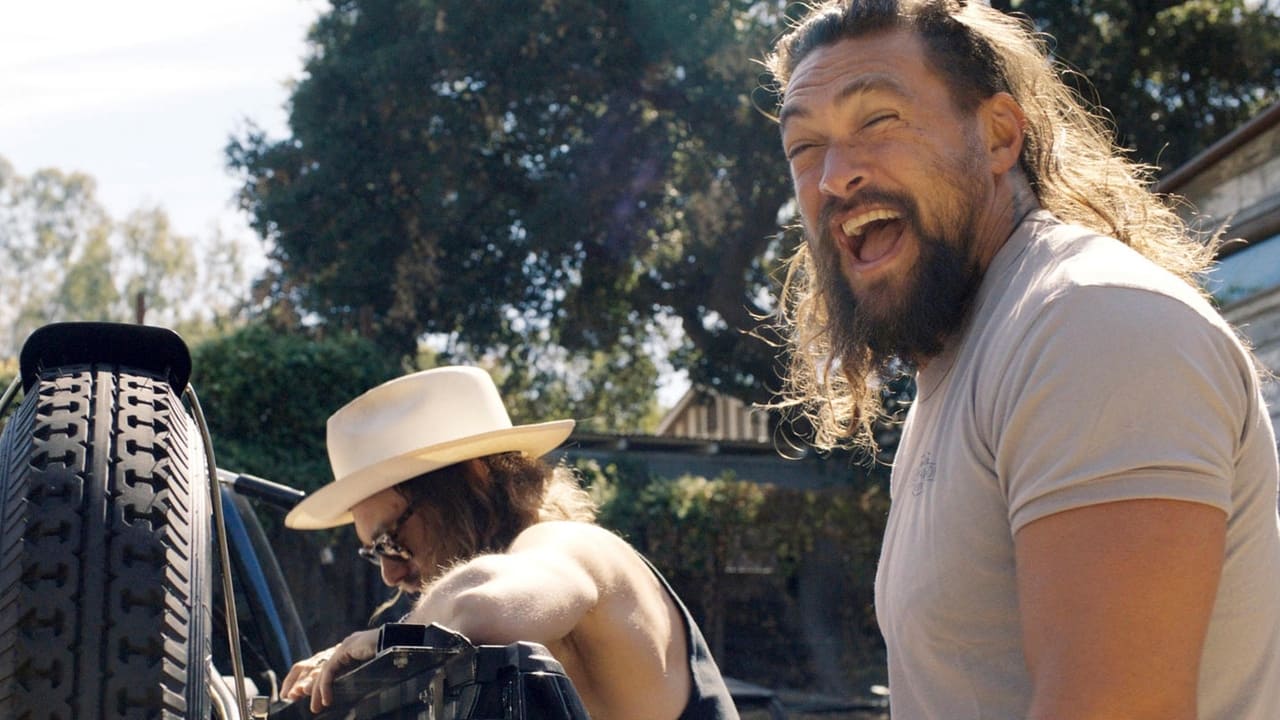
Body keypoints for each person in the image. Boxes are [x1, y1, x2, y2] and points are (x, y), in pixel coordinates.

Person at [763, 1, 1280, 719]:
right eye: (804, 147)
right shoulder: (974, 350)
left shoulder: (1089, 324)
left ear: (999, 135)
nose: (833, 177)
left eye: (879, 120)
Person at [277, 366, 738, 719]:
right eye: (374, 552)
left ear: (473, 481)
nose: (390, 573)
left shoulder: (572, 545)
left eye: (390, 539)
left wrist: (386, 645)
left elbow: (481, 606)